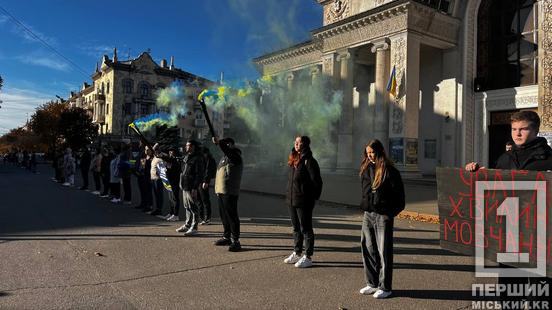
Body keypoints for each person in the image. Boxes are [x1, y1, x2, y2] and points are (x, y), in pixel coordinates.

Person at [465, 111, 552, 304]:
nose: (517, 133)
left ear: (536, 130)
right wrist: (476, 173)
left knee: (541, 294)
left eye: (523, 129)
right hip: (510, 235)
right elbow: (493, 190)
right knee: (510, 293)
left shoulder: (548, 159)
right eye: (514, 129)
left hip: (541, 236)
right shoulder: (505, 159)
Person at [358, 139, 405, 299]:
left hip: (383, 216)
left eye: (372, 152)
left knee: (384, 251)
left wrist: (389, 213)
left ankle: (386, 287)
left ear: (379, 151)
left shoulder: (390, 171)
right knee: (368, 248)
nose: (370, 155)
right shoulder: (366, 168)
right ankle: (372, 283)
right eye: (368, 152)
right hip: (368, 214)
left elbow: (400, 198)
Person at [283, 136, 323, 268]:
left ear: (305, 144)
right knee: (296, 228)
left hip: (304, 201)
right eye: (295, 141)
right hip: (292, 200)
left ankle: (308, 256)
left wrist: (311, 199)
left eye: (299, 142)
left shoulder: (309, 161)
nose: (296, 144)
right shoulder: (294, 159)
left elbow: (317, 183)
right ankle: (297, 252)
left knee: (306, 229)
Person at [212, 137, 244, 252]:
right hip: (221, 191)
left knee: (232, 216)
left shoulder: (235, 156)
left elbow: (227, 151)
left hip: (230, 191)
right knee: (224, 215)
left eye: (225, 144)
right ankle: (226, 237)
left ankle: (236, 241)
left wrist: (219, 142)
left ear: (230, 145)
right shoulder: (225, 157)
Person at [176, 140, 204, 236]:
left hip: (192, 186)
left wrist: (195, 188)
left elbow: (199, 174)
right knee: (187, 206)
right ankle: (187, 225)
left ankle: (194, 227)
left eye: (188, 146)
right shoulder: (187, 157)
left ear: (193, 147)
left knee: (193, 207)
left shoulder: (198, 158)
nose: (186, 147)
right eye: (186, 145)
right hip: (184, 185)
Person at [198, 146, 217, 225]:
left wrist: (206, 181)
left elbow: (208, 170)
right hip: (200, 181)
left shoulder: (207, 158)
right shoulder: (205, 157)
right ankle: (202, 217)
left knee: (204, 199)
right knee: (201, 200)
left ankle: (206, 218)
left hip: (203, 181)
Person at [148, 144, 164, 216]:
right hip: (153, 178)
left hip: (158, 179)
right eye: (154, 150)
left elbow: (164, 166)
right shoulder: (154, 157)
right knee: (156, 194)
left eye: (155, 149)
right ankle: (157, 208)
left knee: (159, 195)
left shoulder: (162, 156)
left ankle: (159, 209)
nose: (154, 151)